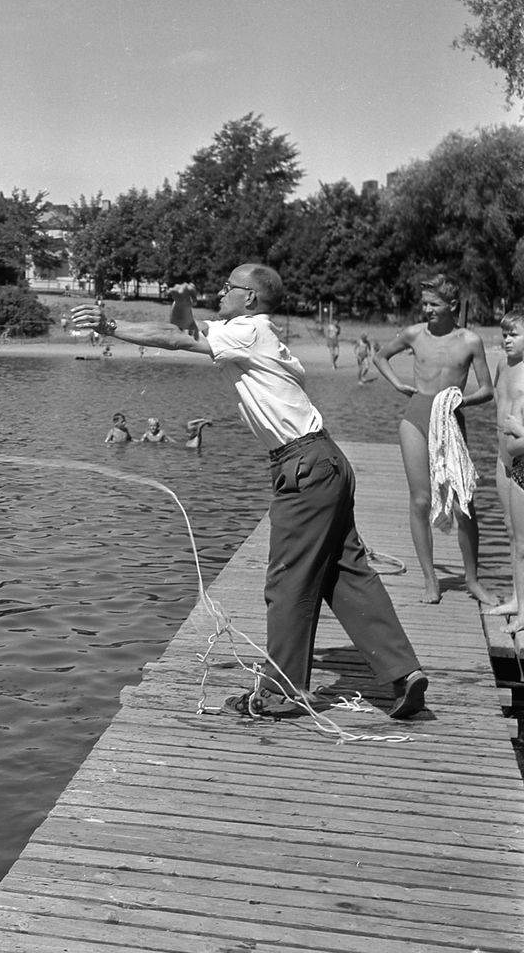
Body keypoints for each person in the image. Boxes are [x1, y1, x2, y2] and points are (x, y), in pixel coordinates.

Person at [72, 263, 428, 720]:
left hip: (303, 466)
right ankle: (404, 671)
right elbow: (185, 327)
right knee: (345, 572)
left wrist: (113, 325)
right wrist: (174, 304)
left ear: (251, 299)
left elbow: (181, 337)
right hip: (325, 461)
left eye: (229, 288)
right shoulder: (251, 331)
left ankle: (282, 693)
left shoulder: (249, 330)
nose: (221, 292)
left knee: (288, 581)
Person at [371, 273, 495, 605]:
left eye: (434, 304)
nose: (427, 309)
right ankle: (430, 580)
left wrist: (462, 401)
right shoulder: (414, 334)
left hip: (451, 421)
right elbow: (380, 356)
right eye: (424, 303)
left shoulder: (470, 341)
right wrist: (398, 384)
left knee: (464, 502)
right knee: (421, 501)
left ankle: (472, 580)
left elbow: (487, 390)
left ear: (453, 306)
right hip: (415, 419)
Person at [489, 309, 524, 636]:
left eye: (514, 334)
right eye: (504, 334)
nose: (507, 340)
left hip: (522, 459)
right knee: (511, 531)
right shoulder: (502, 365)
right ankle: (517, 597)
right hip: (503, 458)